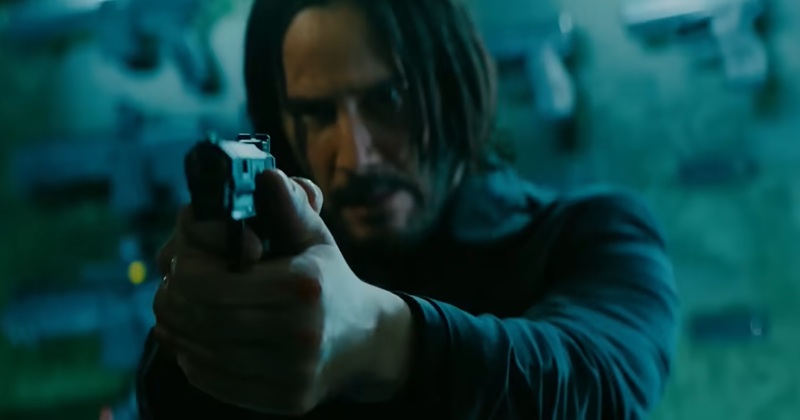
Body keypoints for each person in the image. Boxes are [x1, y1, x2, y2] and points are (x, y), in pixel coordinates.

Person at [136, 0, 679, 418]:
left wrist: (380, 338)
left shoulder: (594, 232)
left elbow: (600, 383)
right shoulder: (276, 269)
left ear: (453, 85)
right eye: (318, 115)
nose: (356, 156)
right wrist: (198, 325)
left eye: (388, 99)